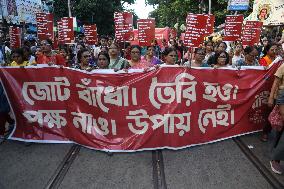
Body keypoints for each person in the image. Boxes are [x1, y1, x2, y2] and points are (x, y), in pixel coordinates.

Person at [267, 63, 284, 174]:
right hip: (281, 99)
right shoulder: (283, 66)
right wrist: (271, 97)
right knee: (278, 128)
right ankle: (275, 158)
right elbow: (276, 82)